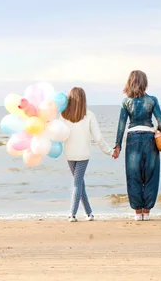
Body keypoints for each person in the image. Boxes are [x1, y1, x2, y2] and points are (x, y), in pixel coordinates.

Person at [113, 70, 161, 221]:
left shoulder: (126, 102)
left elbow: (121, 125)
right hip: (150, 139)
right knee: (151, 176)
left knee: (133, 176)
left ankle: (138, 213)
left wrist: (117, 145)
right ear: (145, 83)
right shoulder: (152, 100)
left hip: (132, 139)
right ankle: (147, 211)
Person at [61, 87, 116, 222]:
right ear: (83, 99)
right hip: (83, 154)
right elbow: (98, 138)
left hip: (69, 154)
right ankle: (73, 214)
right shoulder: (89, 115)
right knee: (78, 183)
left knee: (78, 182)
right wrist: (109, 151)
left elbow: (60, 135)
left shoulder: (63, 115)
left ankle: (89, 213)